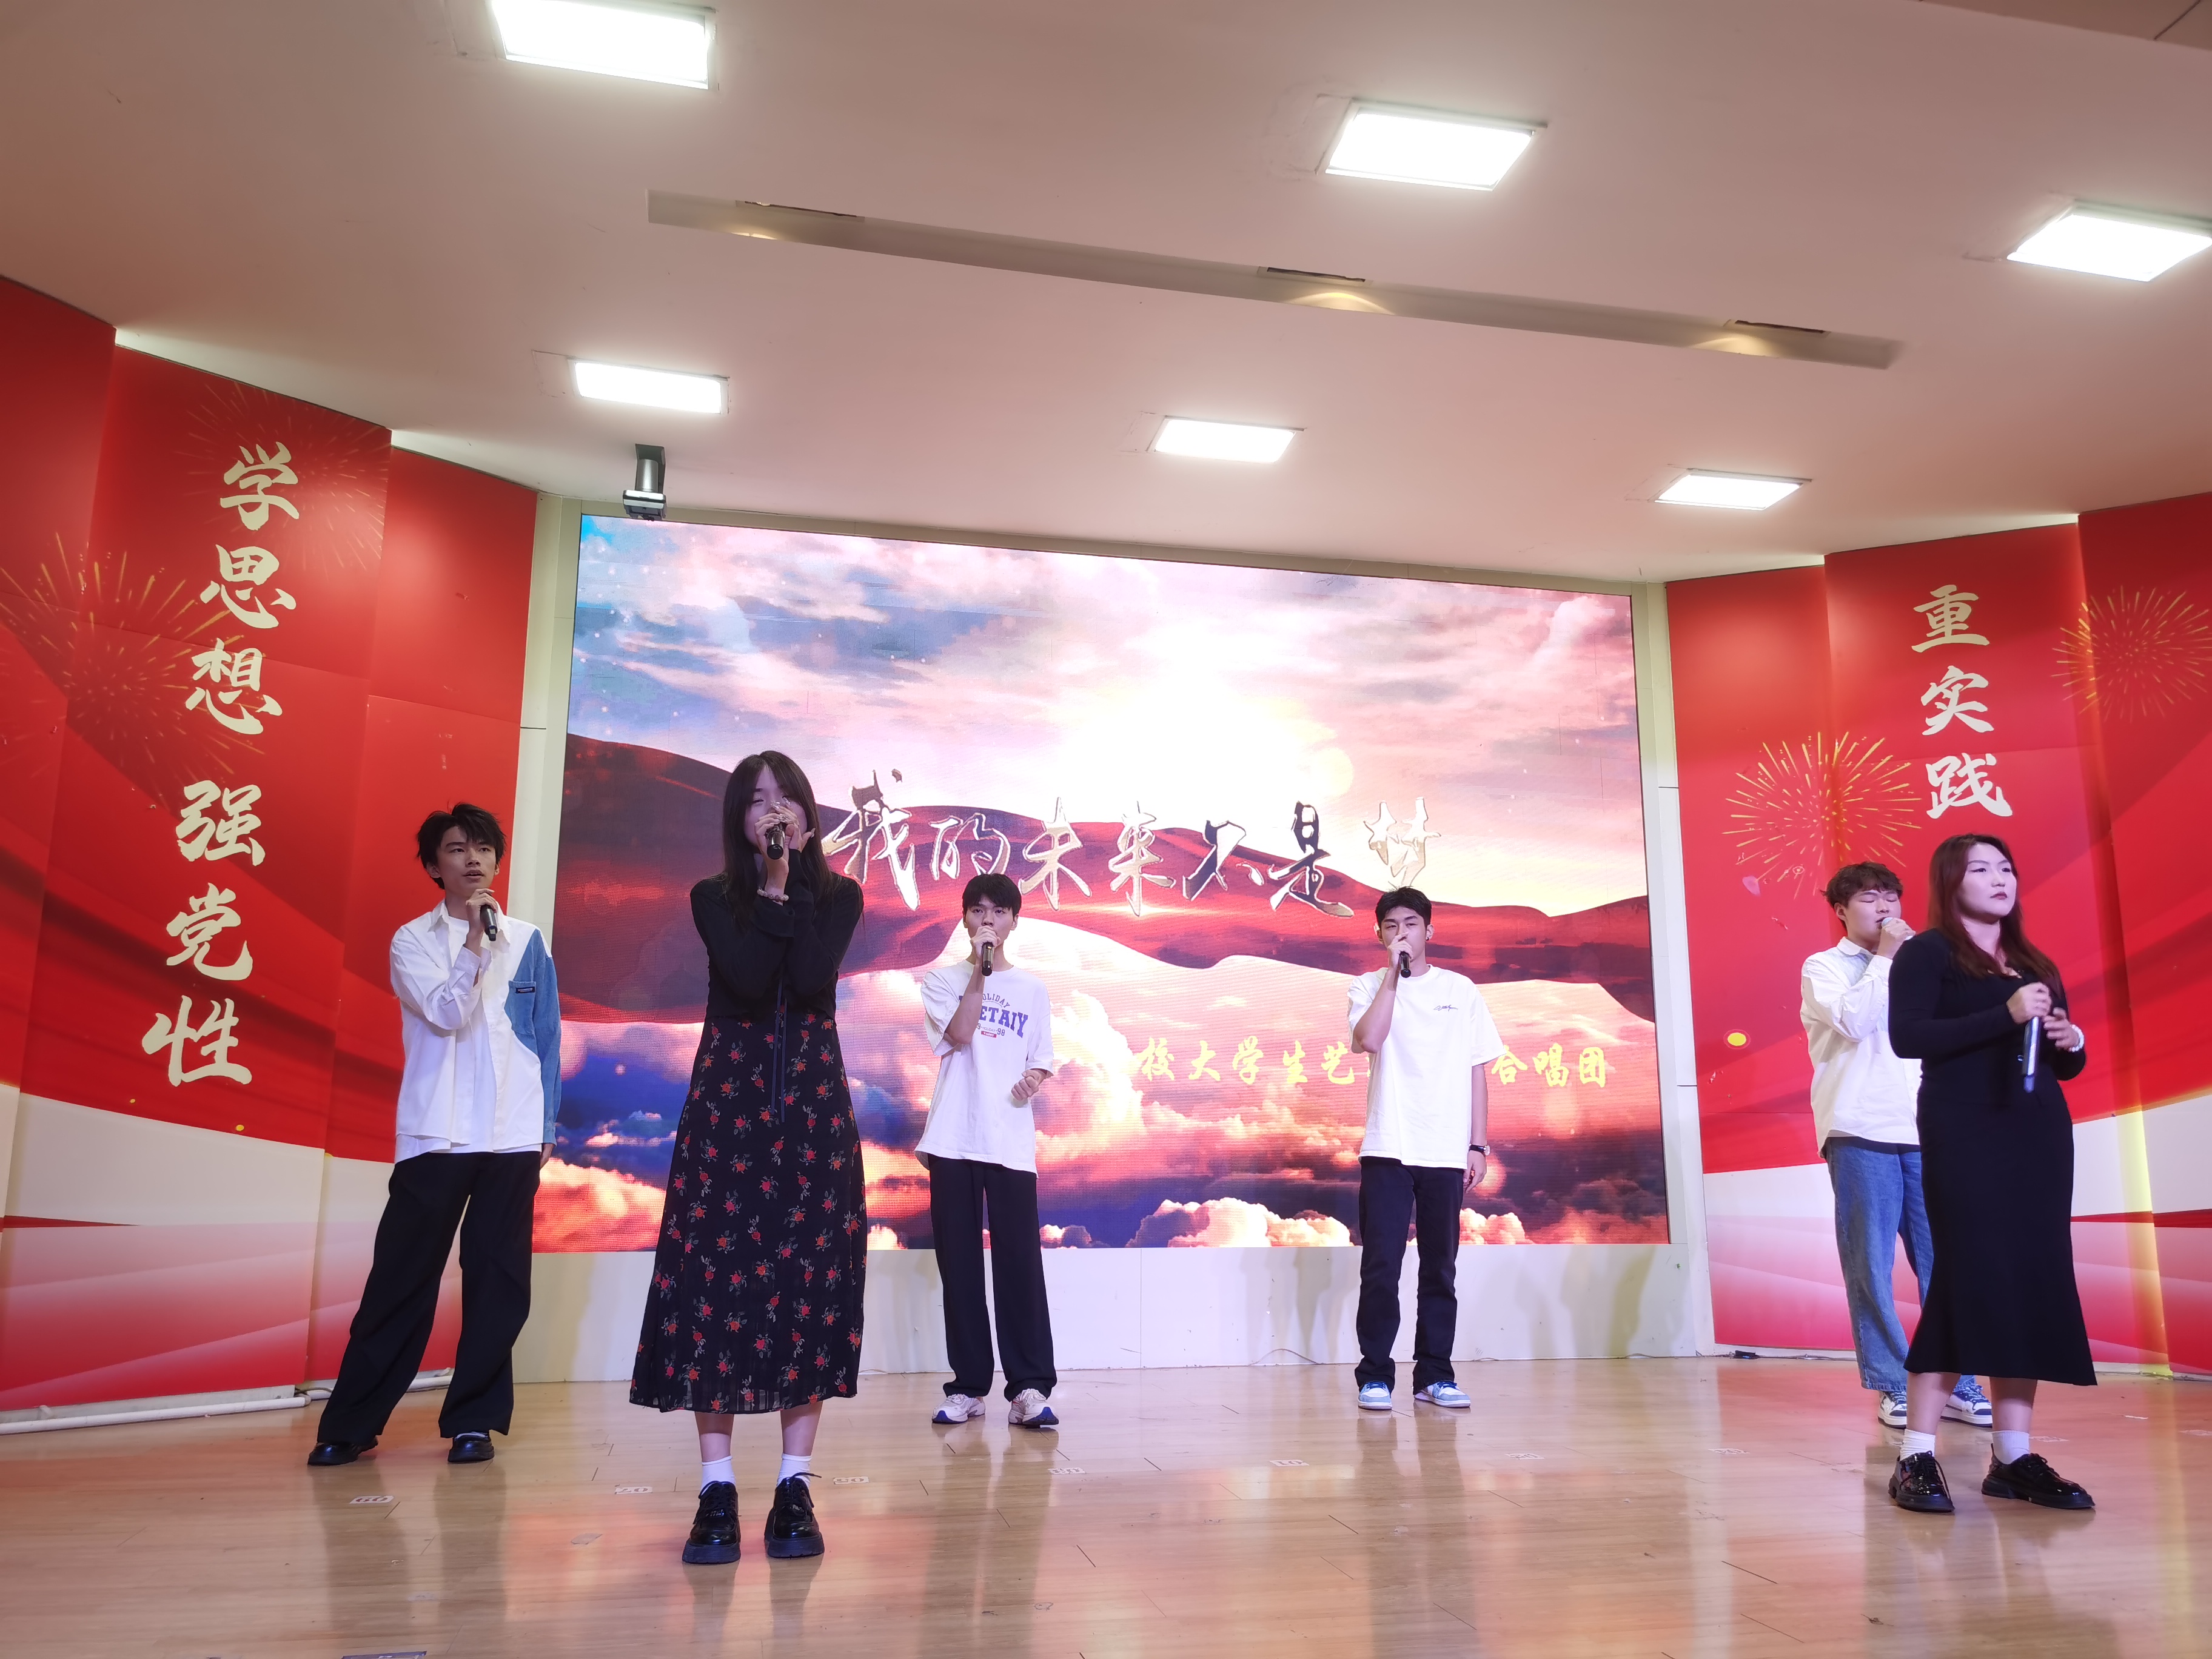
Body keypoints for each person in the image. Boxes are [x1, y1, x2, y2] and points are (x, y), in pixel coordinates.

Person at [631, 752, 867, 1566]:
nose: (774, 811)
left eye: (786, 798)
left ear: (809, 815)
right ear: (739, 820)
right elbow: (747, 975)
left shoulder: (840, 897)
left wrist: (793, 888)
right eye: (757, 800)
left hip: (811, 1110)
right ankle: (717, 1486)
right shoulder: (713, 897)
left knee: (808, 1283)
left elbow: (810, 976)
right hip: (728, 1109)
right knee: (715, 1285)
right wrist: (769, 888)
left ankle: (795, 1486)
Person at [309, 804, 560, 1469]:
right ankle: (351, 1423)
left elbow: (547, 1039)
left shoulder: (528, 940)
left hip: (510, 1133)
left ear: (497, 859)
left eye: (483, 848)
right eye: (456, 849)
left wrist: (545, 1126)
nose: (472, 859)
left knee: (498, 1282)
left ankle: (474, 1421)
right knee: (402, 1278)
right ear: (432, 866)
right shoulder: (411, 941)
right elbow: (447, 1013)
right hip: (436, 1135)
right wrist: (475, 943)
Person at [1885, 834, 2096, 1515]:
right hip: (1965, 1131)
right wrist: (2002, 1014)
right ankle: (1916, 1452)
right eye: (1981, 869)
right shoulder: (1927, 953)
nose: (2000, 878)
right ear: (1952, 882)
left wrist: (2072, 1041)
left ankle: (2013, 1457)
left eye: (2006, 867)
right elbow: (1909, 1037)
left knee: (2029, 1280)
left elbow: (2061, 1064)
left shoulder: (2035, 963)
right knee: (1968, 1277)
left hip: (2038, 1134)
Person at [1801, 862, 1990, 1432]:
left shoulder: (1923, 968)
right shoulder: (1824, 967)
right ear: (1841, 910)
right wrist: (1886, 957)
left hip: (1927, 1131)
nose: (1884, 907)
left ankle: (1957, 1381)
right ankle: (1891, 1382)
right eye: (1869, 898)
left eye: (1890, 897)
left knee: (1947, 1262)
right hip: (1860, 1129)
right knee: (1870, 1264)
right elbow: (1854, 1023)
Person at [1346, 886, 1503, 1412]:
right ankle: (1375, 1377)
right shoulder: (1367, 986)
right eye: (1391, 927)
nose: (1402, 934)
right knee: (1381, 1267)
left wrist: (1477, 1144)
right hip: (1388, 1146)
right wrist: (1394, 976)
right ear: (1379, 935)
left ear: (1429, 931)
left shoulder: (1461, 991)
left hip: (1445, 1150)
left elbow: (1478, 1071)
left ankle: (1435, 1375)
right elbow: (1371, 1039)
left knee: (1440, 1269)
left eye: (1411, 924)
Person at [916, 873, 1061, 1430]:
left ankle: (1028, 1388)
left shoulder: (1033, 989)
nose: (989, 921)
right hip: (953, 1137)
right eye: (978, 911)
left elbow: (1040, 1060)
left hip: (1009, 1139)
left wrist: (1033, 1080)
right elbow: (959, 1034)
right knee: (960, 1267)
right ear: (965, 919)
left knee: (1019, 1265)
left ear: (1014, 921)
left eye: (999, 912)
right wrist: (980, 971)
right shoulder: (942, 980)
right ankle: (968, 1387)